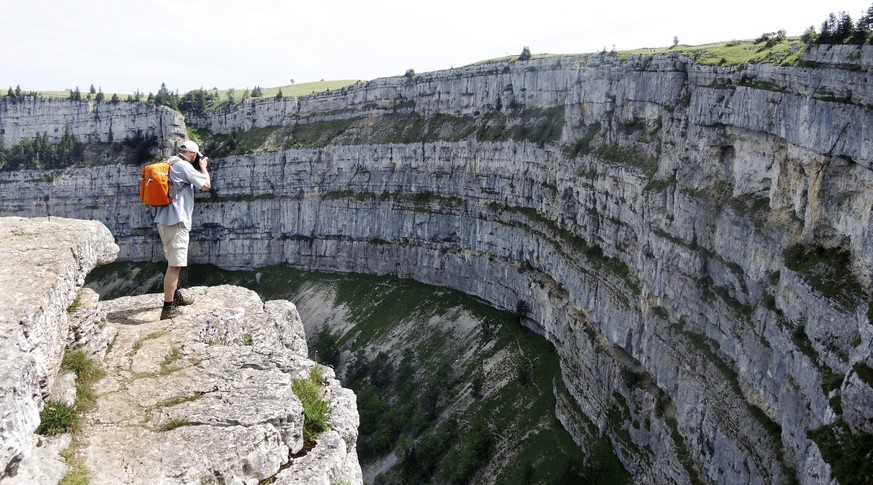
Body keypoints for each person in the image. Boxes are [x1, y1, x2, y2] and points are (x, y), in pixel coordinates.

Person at [154, 140, 211, 319]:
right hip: (177, 221)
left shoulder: (168, 162)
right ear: (193, 155)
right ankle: (168, 308)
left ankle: (175, 295)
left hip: (164, 220)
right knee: (175, 265)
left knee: (173, 259)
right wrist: (203, 167)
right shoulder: (184, 167)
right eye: (197, 157)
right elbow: (206, 185)